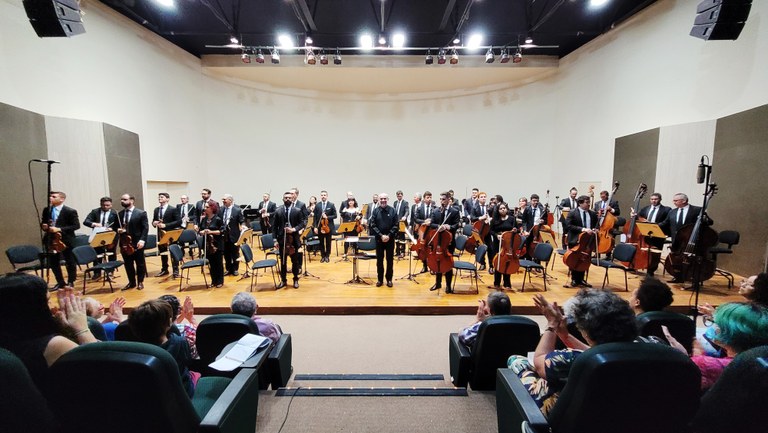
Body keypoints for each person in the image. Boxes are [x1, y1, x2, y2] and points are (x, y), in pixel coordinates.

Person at [507, 290, 645, 415]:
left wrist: (552, 324)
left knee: (517, 361)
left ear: (587, 333)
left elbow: (539, 362)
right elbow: (599, 351)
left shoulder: (573, 359)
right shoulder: (654, 344)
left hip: (583, 416)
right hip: (630, 414)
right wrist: (564, 335)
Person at [0, 274, 97, 392]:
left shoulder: (10, 340)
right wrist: (82, 329)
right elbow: (103, 368)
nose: (53, 307)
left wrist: (63, 327)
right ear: (33, 308)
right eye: (48, 301)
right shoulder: (54, 345)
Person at [664, 302, 768, 391]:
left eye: (716, 323)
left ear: (730, 332)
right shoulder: (759, 358)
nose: (714, 326)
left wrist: (683, 357)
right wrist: (699, 353)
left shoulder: (702, 363)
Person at [128, 299, 196, 397]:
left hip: (150, 394)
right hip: (181, 395)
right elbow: (189, 361)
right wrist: (191, 319)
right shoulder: (179, 342)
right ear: (169, 322)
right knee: (195, 374)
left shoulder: (132, 349)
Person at [41, 191, 80, 290]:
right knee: (54, 262)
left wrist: (60, 229)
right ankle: (60, 282)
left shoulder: (70, 211)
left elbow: (76, 226)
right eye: (50, 196)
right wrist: (44, 226)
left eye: (54, 196)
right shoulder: (47, 210)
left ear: (62, 199)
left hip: (66, 239)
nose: (51, 198)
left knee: (69, 261)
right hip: (51, 239)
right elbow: (44, 222)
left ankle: (71, 281)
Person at [273, 191, 307, 289]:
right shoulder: (278, 211)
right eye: (285, 198)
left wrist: (293, 229)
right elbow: (274, 227)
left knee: (295, 262)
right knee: (283, 262)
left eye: (289, 198)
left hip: (294, 240)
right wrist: (275, 240)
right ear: (283, 199)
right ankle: (283, 280)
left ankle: (295, 279)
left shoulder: (297, 210)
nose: (287, 199)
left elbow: (302, 223)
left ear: (292, 199)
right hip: (282, 240)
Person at [428, 192, 460, 294]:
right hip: (437, 242)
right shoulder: (436, 211)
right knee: (437, 262)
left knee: (448, 264)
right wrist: (438, 227)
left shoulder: (454, 211)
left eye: (443, 199)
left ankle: (448, 286)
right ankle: (438, 283)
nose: (441, 201)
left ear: (448, 199)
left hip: (448, 242)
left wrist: (447, 227)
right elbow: (432, 224)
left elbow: (456, 225)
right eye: (440, 199)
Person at [632, 192, 671, 276]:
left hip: (658, 234)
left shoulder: (666, 209)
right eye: (652, 199)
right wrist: (634, 215)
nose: (653, 201)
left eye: (656, 199)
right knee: (645, 251)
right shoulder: (646, 208)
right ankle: (642, 265)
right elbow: (639, 217)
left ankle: (651, 270)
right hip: (646, 233)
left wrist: (654, 226)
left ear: (660, 199)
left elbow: (667, 221)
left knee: (655, 253)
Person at [564, 195, 597, 288]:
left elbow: (595, 225)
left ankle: (582, 279)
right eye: (587, 202)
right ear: (580, 203)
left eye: (589, 202)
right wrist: (583, 229)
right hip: (575, 239)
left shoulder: (592, 214)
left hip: (587, 241)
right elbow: (568, 226)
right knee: (574, 259)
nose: (589, 204)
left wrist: (595, 230)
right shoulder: (572, 213)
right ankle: (574, 279)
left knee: (585, 259)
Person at [82, 196, 119, 280]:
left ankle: (110, 271)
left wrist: (112, 228)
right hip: (98, 235)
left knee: (111, 254)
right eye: (103, 205)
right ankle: (97, 272)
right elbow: (86, 222)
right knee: (97, 254)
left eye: (108, 205)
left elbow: (119, 225)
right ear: (100, 204)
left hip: (110, 236)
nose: (105, 207)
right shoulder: (95, 212)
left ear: (111, 204)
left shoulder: (115, 213)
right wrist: (94, 224)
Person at [117, 193, 148, 290]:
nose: (122, 201)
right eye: (121, 199)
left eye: (125, 199)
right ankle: (131, 282)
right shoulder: (120, 214)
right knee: (128, 264)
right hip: (125, 243)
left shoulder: (141, 213)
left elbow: (145, 228)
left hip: (137, 242)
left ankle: (140, 282)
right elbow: (116, 227)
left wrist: (142, 240)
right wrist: (118, 230)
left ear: (132, 200)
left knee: (140, 263)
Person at [489, 202, 521, 289]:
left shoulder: (512, 219)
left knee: (508, 262)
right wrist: (497, 235)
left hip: (509, 244)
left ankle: (507, 283)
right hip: (498, 243)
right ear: (498, 210)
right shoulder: (494, 220)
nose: (503, 210)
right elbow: (490, 231)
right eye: (501, 208)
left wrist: (515, 230)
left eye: (504, 208)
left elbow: (518, 230)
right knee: (498, 262)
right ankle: (497, 283)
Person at [369, 192, 398, 287]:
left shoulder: (393, 210)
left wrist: (389, 235)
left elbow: (396, 225)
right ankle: (380, 280)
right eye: (381, 199)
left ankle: (389, 279)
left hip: (390, 239)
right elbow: (373, 225)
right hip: (379, 240)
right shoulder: (375, 211)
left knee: (390, 260)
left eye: (385, 199)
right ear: (379, 200)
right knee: (379, 261)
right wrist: (381, 235)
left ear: (387, 199)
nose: (383, 200)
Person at [153, 192, 182, 278]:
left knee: (173, 252)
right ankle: (164, 269)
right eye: (159, 197)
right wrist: (154, 223)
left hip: (170, 234)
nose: (159, 198)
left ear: (167, 199)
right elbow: (154, 221)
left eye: (162, 197)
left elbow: (178, 221)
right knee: (162, 252)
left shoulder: (173, 209)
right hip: (160, 234)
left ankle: (176, 270)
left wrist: (166, 225)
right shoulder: (156, 210)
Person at [159, 294, 198, 359]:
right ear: (178, 311)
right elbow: (201, 332)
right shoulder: (187, 329)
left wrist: (182, 315)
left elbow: (171, 325)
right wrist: (191, 318)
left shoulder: (150, 328)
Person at [218, 194, 246, 276]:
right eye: (222, 200)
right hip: (224, 235)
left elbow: (242, 220)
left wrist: (243, 225)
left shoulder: (237, 210)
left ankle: (235, 269)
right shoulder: (221, 209)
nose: (223, 201)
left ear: (230, 200)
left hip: (234, 235)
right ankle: (228, 269)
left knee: (235, 253)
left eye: (224, 199)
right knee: (226, 253)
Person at [199, 201, 224, 287]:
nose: (204, 209)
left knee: (218, 263)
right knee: (211, 263)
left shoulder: (218, 219)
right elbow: (200, 230)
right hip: (207, 245)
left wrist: (211, 232)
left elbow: (222, 231)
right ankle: (213, 281)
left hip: (216, 244)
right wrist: (202, 232)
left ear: (212, 208)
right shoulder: (204, 219)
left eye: (206, 207)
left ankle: (220, 281)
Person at [470, 191, 492, 271]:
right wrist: (480, 218)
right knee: (480, 247)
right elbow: (472, 218)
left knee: (490, 248)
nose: (483, 198)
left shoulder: (489, 207)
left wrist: (489, 219)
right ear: (478, 198)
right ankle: (483, 264)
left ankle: (491, 265)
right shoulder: (474, 207)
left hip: (487, 230)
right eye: (481, 197)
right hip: (479, 231)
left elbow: (493, 217)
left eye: (484, 197)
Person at [313, 190, 337, 263]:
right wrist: (315, 227)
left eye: (324, 195)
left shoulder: (331, 205)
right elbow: (315, 218)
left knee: (328, 242)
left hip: (328, 227)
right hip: (320, 227)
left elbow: (335, 216)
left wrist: (327, 217)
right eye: (322, 195)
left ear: (327, 196)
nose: (323, 196)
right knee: (321, 242)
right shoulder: (318, 205)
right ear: (321, 196)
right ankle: (322, 256)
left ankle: (327, 256)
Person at [414, 191, 435, 274]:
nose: (429, 199)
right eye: (427, 197)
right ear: (424, 198)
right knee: (423, 249)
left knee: (432, 249)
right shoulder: (419, 208)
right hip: (422, 231)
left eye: (430, 197)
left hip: (431, 231)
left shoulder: (434, 207)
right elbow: (416, 219)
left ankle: (432, 267)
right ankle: (424, 266)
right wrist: (424, 221)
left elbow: (436, 218)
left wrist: (430, 221)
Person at [392, 190, 409, 258]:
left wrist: (405, 216)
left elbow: (407, 211)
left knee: (402, 238)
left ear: (402, 195)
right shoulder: (395, 203)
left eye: (400, 195)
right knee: (396, 238)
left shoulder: (405, 203)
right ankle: (397, 251)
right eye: (398, 195)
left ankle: (402, 252)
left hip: (402, 222)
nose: (399, 196)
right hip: (396, 223)